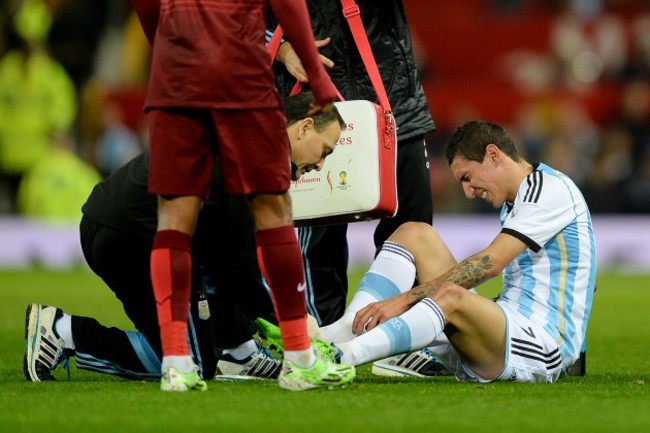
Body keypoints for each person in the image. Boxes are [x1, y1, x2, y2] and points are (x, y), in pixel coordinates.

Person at [23, 92, 346, 384]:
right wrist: (290, 321)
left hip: (118, 223)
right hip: (131, 237)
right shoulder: (256, 158)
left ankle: (240, 353)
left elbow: (223, 259)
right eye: (325, 151)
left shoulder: (250, 135)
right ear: (304, 128)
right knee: (190, 364)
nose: (320, 164)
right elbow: (235, 263)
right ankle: (64, 332)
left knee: (212, 287)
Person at [129, 0, 355, 392]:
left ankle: (176, 363)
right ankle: (300, 359)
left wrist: (168, 54)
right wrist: (316, 74)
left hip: (175, 75)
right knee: (273, 210)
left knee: (175, 218)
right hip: (240, 73)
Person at [316, 120, 596, 383]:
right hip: (506, 327)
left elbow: (491, 262)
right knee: (414, 233)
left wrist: (401, 301)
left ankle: (344, 355)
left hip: (539, 345)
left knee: (450, 295)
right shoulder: (520, 199)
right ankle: (349, 326)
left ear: (494, 155)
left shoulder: (547, 191)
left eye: (468, 177)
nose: (468, 192)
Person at [268, 0, 436, 376]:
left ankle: (396, 342)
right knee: (316, 237)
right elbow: (238, 13)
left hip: (395, 103)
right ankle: (315, 345)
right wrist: (278, 46)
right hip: (314, 101)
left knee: (412, 229)